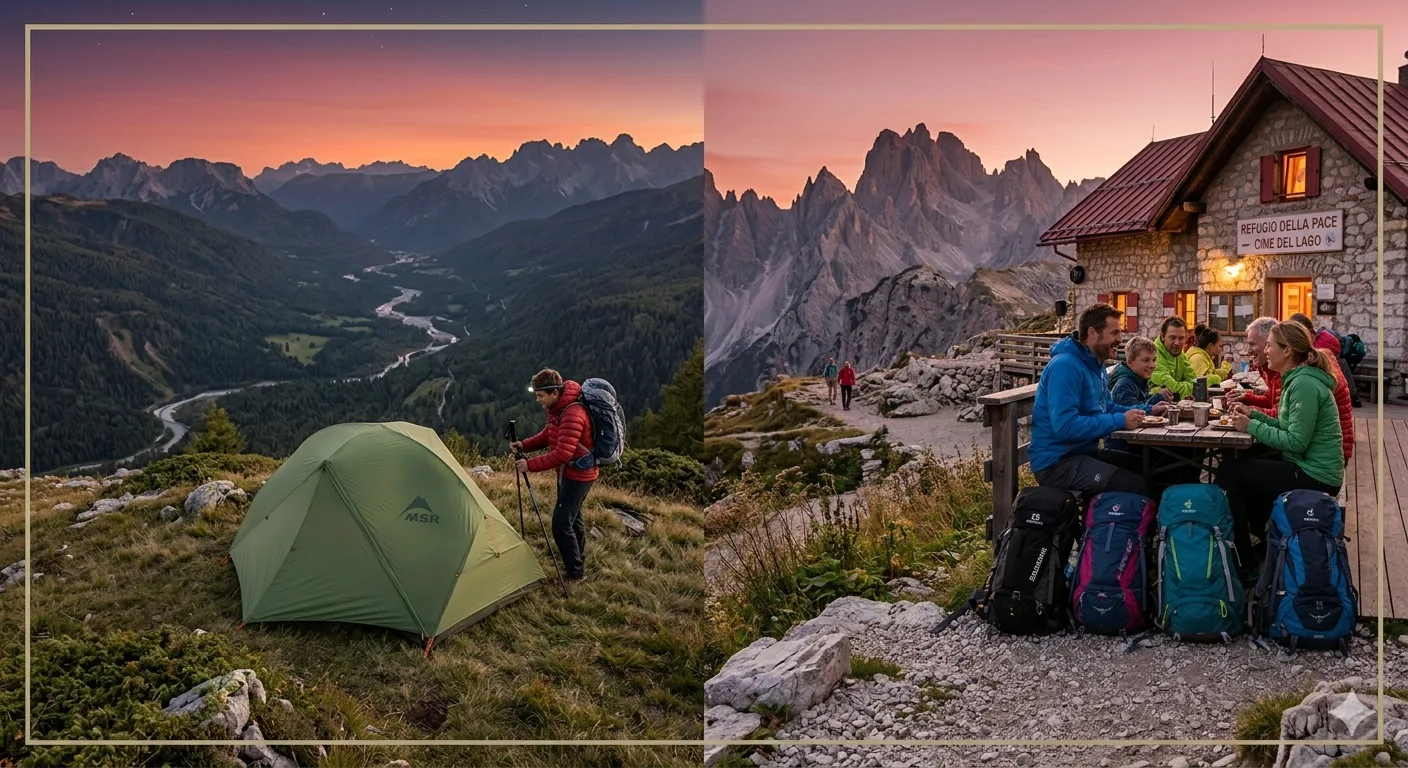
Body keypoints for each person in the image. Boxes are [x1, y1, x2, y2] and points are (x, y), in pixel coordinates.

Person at [1217, 322, 1344, 581]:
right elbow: (1287, 425)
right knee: (1238, 463)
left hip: (1316, 475)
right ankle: (1268, 540)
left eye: (1270, 345)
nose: (1266, 350)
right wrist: (1254, 414)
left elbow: (1296, 440)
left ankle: (1245, 563)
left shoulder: (1304, 384)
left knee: (1230, 474)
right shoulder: (1297, 379)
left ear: (1286, 351)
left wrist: (1251, 424)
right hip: (1307, 467)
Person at [1030, 303, 1167, 497]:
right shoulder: (1066, 366)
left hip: (1083, 453)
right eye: (1114, 333)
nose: (1120, 339)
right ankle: (1104, 525)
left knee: (1151, 468)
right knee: (1136, 485)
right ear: (1092, 333)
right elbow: (1065, 426)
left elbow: (1108, 406)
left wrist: (1147, 410)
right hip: (1057, 463)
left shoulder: (1096, 364)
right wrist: (1120, 420)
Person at [511, 368, 597, 584]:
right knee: (573, 519)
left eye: (541, 396)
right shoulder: (557, 409)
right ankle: (577, 562)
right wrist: (524, 445)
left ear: (555, 393)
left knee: (561, 523)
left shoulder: (572, 413)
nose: (538, 401)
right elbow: (549, 435)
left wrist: (528, 465)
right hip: (569, 472)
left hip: (579, 475)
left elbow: (562, 453)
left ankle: (575, 574)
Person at [1107, 335, 1198, 488]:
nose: (1152, 365)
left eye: (1154, 360)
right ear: (1130, 362)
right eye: (1146, 360)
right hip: (1125, 445)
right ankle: (1174, 493)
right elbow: (1132, 415)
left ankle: (1186, 491)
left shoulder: (1138, 379)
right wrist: (1155, 402)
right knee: (1182, 454)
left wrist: (1157, 399)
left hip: (1139, 442)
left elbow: (1141, 405)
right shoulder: (1124, 384)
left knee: (1189, 450)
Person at [1287, 314, 1355, 463]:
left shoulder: (1309, 376)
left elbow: (1296, 439)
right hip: (1334, 444)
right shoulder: (1318, 360)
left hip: (1329, 455)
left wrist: (1253, 423)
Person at [1228, 316, 1282, 417]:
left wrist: (1249, 411)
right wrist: (1245, 398)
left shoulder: (1284, 370)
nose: (1248, 351)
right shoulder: (1266, 367)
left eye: (1252, 344)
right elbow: (1271, 400)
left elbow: (1280, 415)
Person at [1151, 316, 1197, 400]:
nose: (1177, 343)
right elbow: (1171, 388)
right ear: (1162, 336)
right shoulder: (1153, 354)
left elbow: (1194, 380)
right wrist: (1189, 388)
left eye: (1181, 338)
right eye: (1172, 338)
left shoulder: (1180, 354)